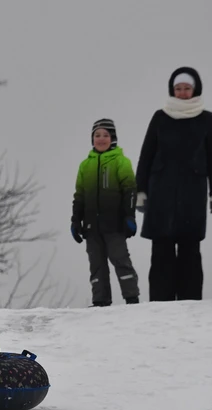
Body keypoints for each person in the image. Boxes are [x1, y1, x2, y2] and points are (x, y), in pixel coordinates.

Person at [135, 67, 212, 302]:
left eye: (186, 89)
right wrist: (140, 191)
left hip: (192, 193)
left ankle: (190, 300)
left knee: (190, 250)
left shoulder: (206, 119)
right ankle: (160, 301)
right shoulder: (160, 117)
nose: (182, 93)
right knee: (161, 249)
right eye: (178, 89)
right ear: (172, 90)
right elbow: (146, 155)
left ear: (195, 90)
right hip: (160, 191)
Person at [70, 118, 141, 306]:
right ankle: (100, 300)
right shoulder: (85, 166)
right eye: (97, 135)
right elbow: (80, 196)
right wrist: (76, 221)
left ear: (113, 138)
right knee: (96, 265)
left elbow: (130, 191)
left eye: (105, 135)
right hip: (92, 227)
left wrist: (129, 217)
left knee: (121, 260)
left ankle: (131, 298)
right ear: (92, 139)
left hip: (115, 225)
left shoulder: (120, 161)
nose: (101, 139)